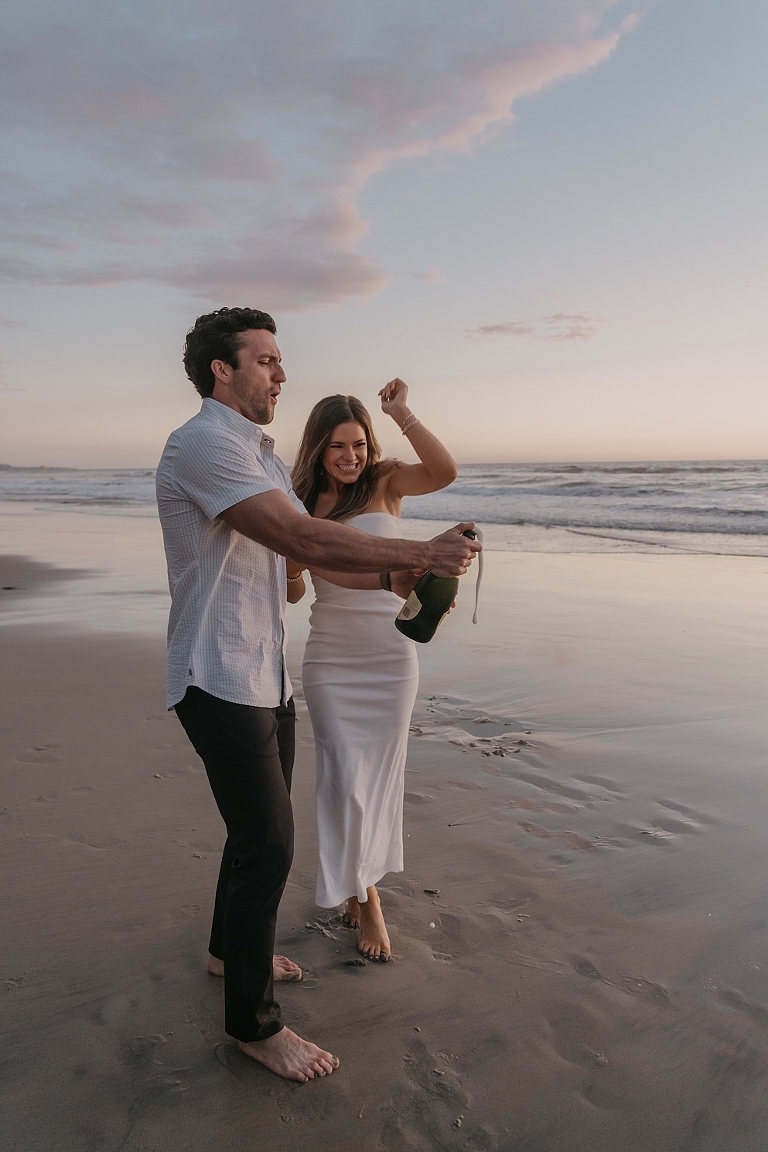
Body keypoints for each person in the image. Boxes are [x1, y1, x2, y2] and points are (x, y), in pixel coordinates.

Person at [155, 307, 480, 1083]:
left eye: (280, 360)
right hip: (217, 671)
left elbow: (316, 562)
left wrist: (395, 575)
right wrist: (420, 549)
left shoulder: (260, 456)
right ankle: (255, 1026)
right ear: (221, 372)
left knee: (253, 833)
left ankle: (224, 951)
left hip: (264, 671)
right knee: (268, 842)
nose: (282, 373)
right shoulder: (203, 446)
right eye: (266, 360)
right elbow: (302, 539)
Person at [290, 386, 458, 961]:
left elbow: (444, 471)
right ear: (317, 448)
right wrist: (288, 571)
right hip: (332, 658)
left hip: (389, 659)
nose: (350, 456)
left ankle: (362, 887)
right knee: (344, 780)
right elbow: (291, 588)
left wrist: (401, 413)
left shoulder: (385, 482)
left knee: (380, 778)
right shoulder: (301, 503)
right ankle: (369, 898)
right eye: (337, 446)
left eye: (359, 444)